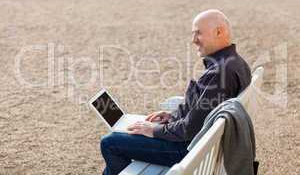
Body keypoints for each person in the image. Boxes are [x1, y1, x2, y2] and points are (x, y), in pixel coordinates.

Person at [100, 9, 251, 175]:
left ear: (219, 32)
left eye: (198, 33)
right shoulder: (236, 63)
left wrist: (153, 130)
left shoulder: (220, 73)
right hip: (204, 146)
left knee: (110, 142)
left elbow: (189, 129)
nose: (193, 40)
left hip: (188, 152)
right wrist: (172, 117)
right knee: (126, 135)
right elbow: (202, 113)